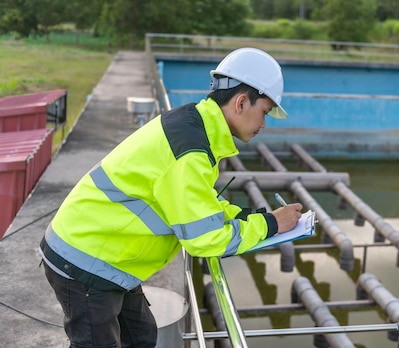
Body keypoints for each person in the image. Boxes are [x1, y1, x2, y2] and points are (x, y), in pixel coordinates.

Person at [39, 47, 303, 348]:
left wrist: (257, 217)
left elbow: (200, 206)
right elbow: (206, 239)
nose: (264, 125)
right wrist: (269, 226)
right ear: (242, 102)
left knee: (140, 336)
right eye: (265, 113)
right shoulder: (192, 150)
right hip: (85, 261)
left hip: (108, 256)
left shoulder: (195, 126)